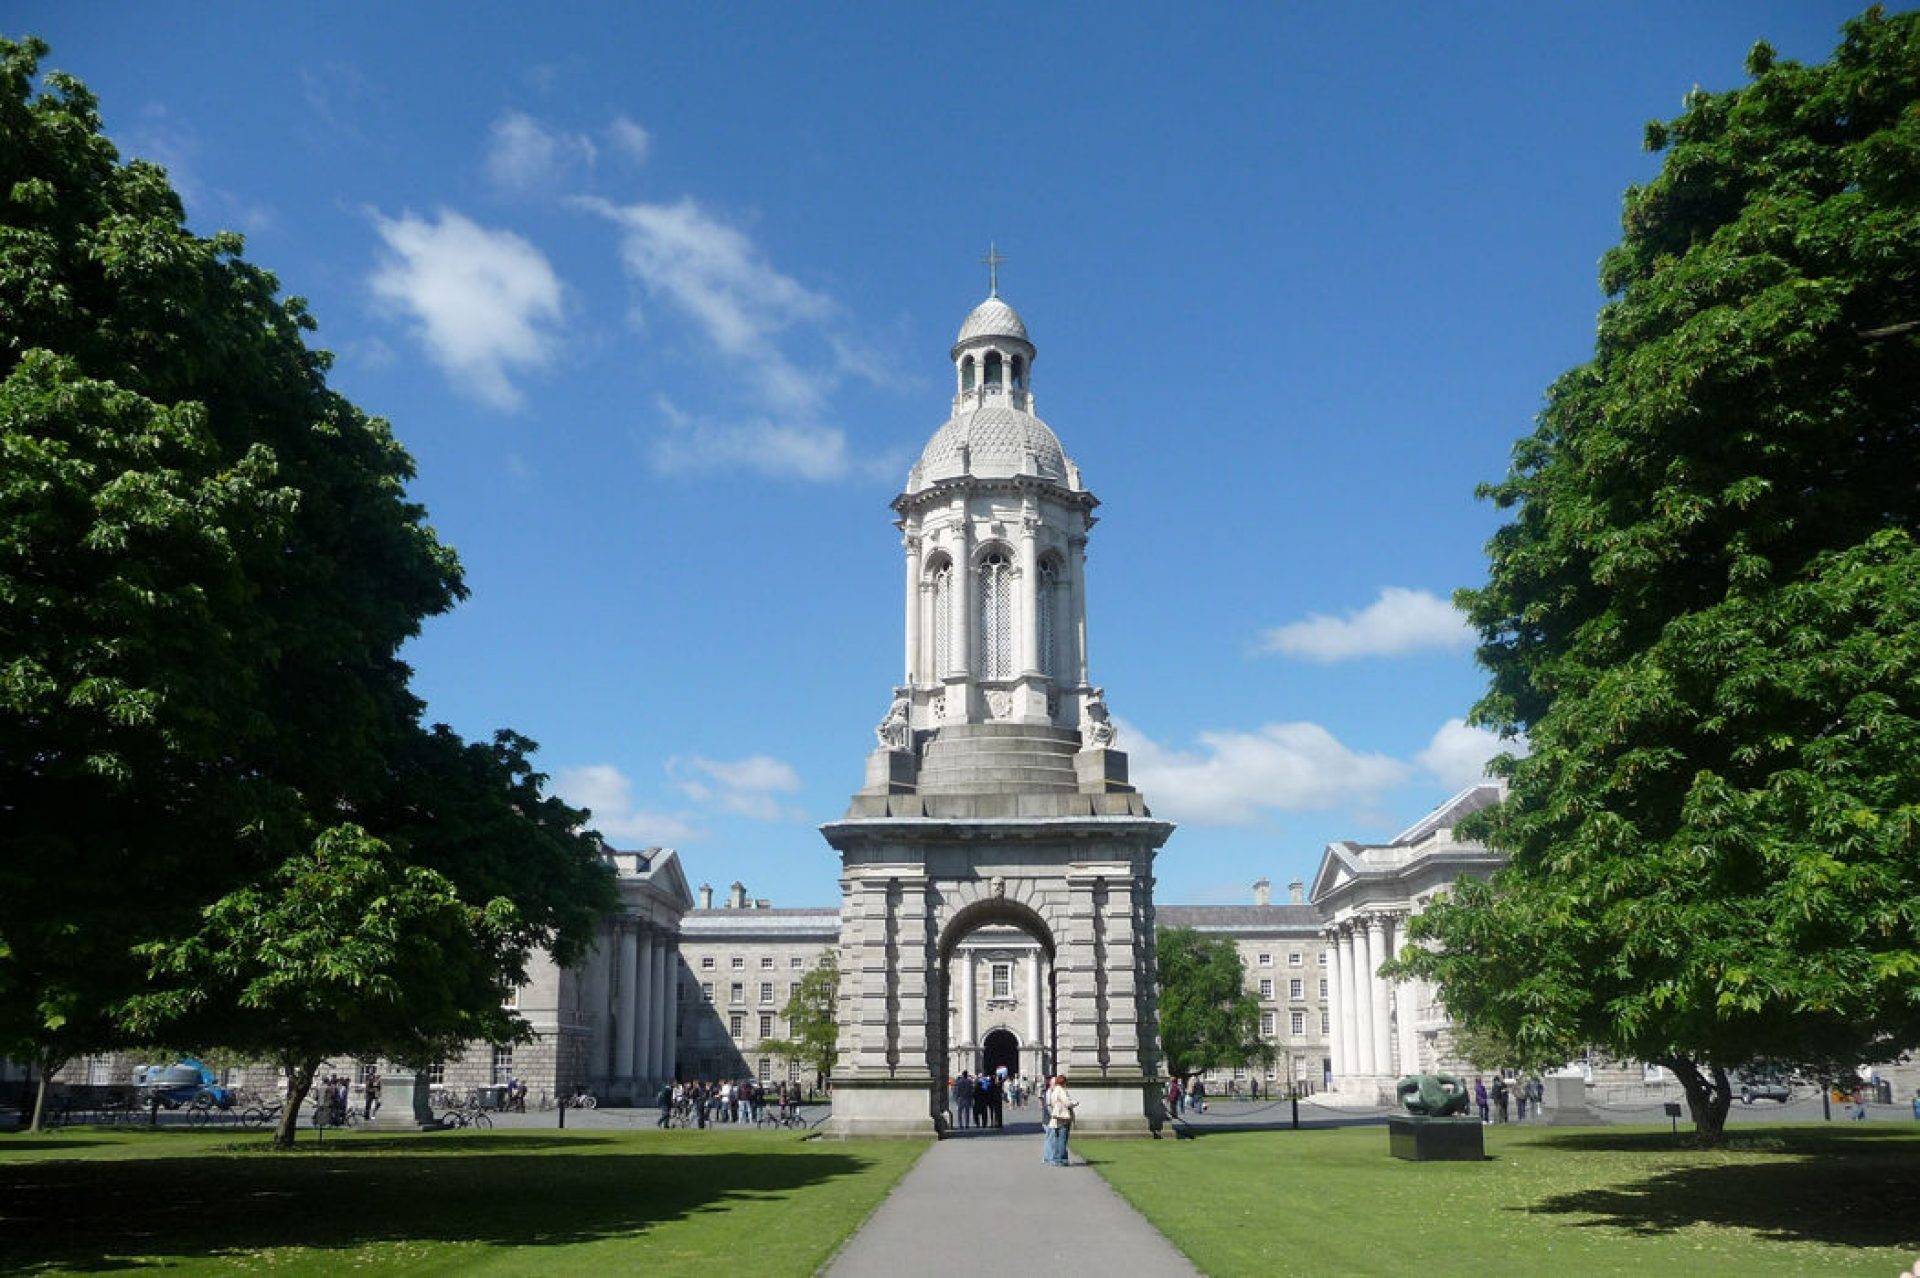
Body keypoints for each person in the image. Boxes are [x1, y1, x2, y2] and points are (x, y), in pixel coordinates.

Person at [1044, 1074, 1076, 1166]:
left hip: (1057, 1117)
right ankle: (1061, 1159)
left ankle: (1057, 1158)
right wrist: (1074, 1103)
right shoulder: (1061, 1090)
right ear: (1064, 1082)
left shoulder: (1054, 1091)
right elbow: (1067, 1102)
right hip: (1063, 1117)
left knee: (1058, 1138)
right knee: (1063, 1139)